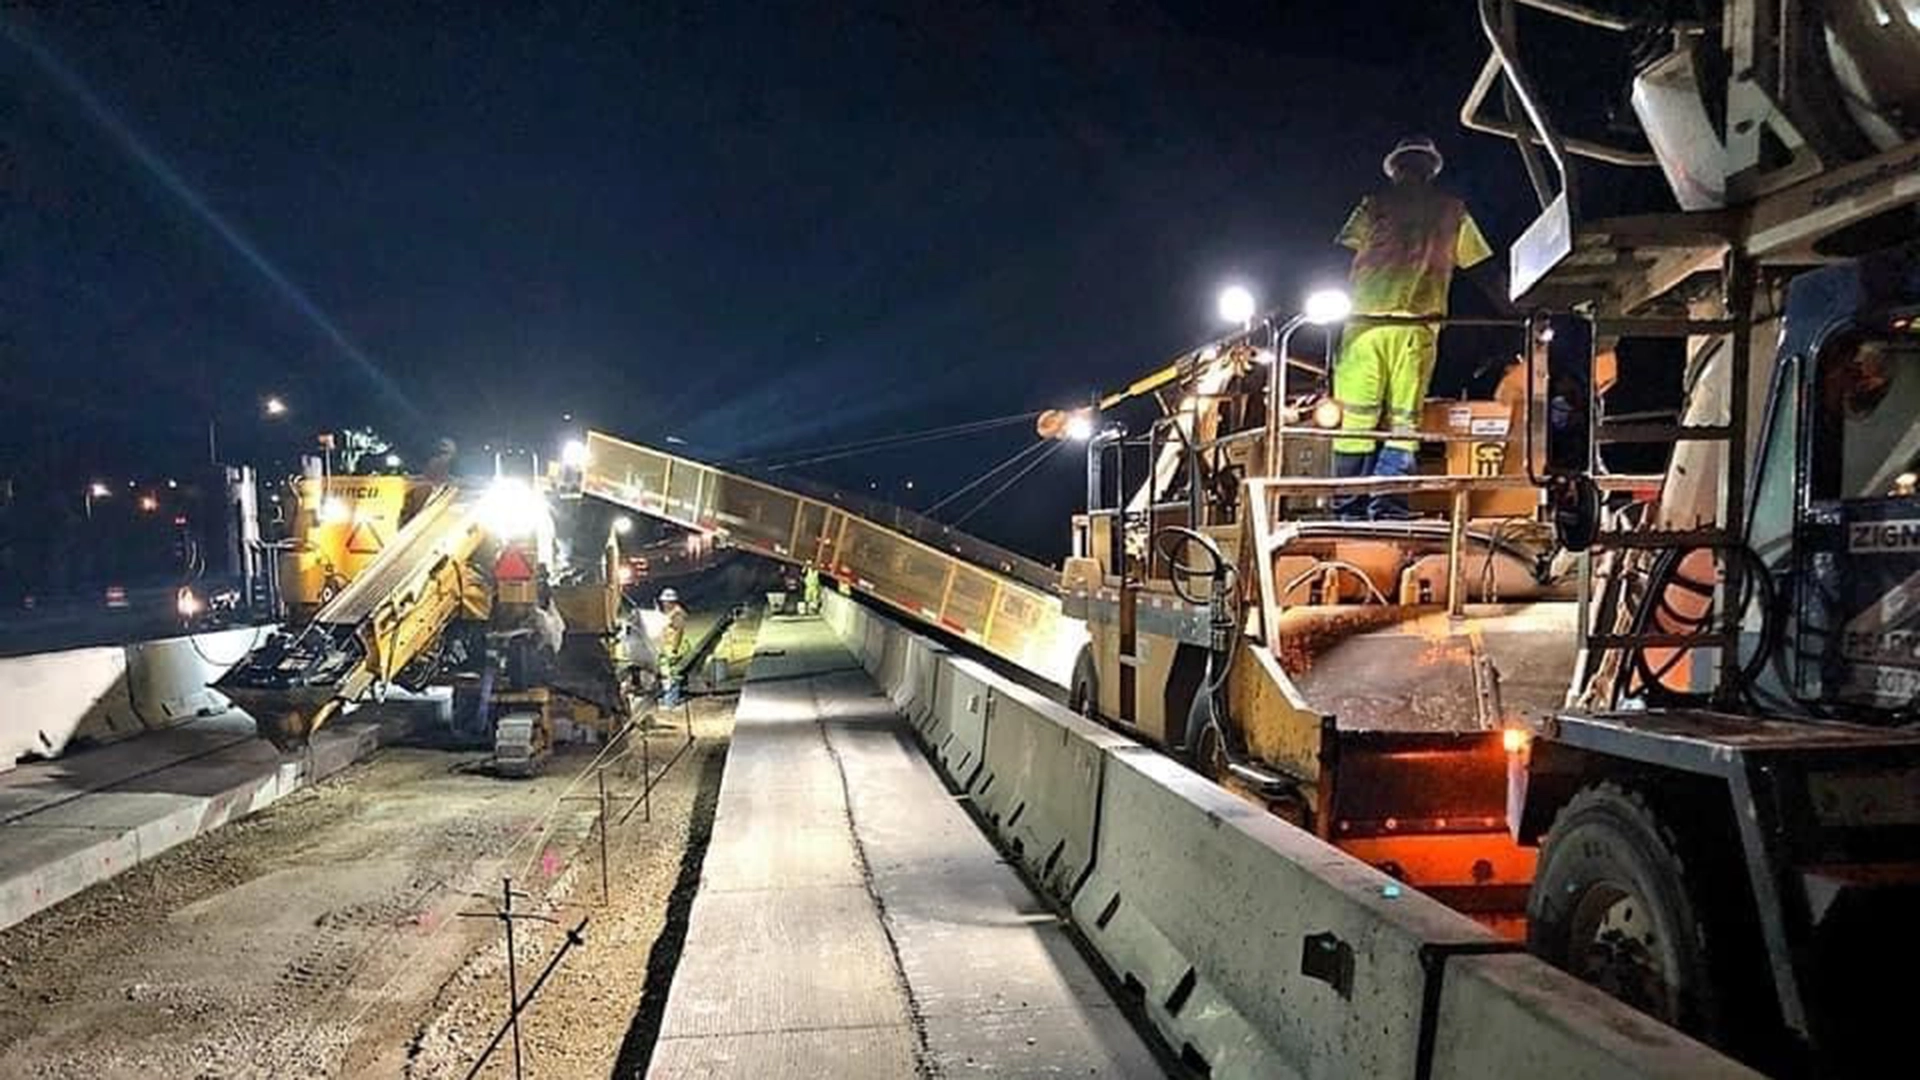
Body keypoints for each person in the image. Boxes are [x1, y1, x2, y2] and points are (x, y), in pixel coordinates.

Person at [1331, 135, 1496, 520]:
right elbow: (1483, 270)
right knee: (1403, 420)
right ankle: (1386, 507)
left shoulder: (1374, 204)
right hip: (1416, 329)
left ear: (1396, 168)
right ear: (1429, 168)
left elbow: (1339, 254)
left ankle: (1349, 509)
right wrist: (1516, 310)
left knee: (1357, 419)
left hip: (1365, 327)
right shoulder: (1452, 211)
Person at [657, 587, 688, 705]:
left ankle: (671, 700)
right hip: (666, 647)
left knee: (672, 676)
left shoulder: (677, 614)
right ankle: (668, 699)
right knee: (666, 675)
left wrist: (674, 649)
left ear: (671, 602)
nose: (663, 604)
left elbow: (679, 632)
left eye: (665, 601)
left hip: (672, 649)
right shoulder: (669, 613)